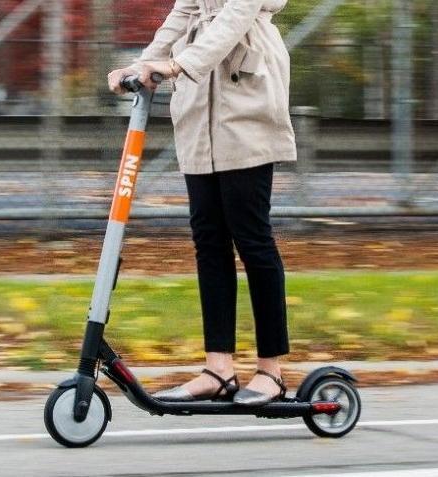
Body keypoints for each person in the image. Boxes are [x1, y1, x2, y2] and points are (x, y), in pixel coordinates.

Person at [107, 0, 296, 406]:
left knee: (252, 239)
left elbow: (235, 18)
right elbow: (183, 13)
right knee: (209, 241)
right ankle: (219, 368)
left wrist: (176, 65)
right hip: (199, 106)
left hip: (244, 99)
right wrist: (144, 63)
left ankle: (271, 371)